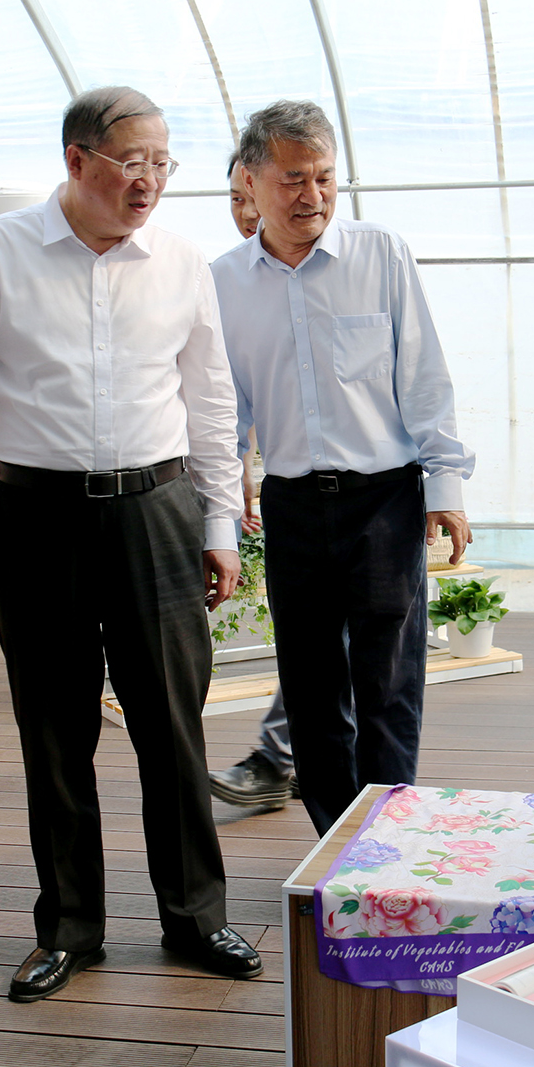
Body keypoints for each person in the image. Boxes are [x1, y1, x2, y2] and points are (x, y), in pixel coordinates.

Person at [0, 86, 261, 1003]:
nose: (150, 181)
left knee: (171, 725)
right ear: (77, 160)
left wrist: (219, 521)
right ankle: (69, 929)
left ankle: (196, 918)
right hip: (35, 517)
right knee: (54, 731)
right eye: (132, 162)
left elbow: (210, 398)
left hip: (157, 510)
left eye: (163, 164)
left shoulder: (181, 260)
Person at [213, 99, 476, 836]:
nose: (314, 196)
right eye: (293, 179)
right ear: (250, 181)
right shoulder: (224, 281)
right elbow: (224, 406)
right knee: (309, 686)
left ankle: (387, 837)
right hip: (292, 503)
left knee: (389, 681)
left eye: (325, 177)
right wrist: (224, 500)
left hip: (384, 500)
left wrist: (445, 484)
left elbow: (424, 374)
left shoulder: (380, 254)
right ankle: (336, 842)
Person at [210, 153, 296, 812]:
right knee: (314, 637)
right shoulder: (226, 280)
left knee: (339, 642)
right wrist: (237, 477)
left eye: (252, 195)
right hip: (286, 491)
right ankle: (290, 758)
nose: (245, 212)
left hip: (366, 492)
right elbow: (225, 395)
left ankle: (281, 758)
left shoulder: (350, 266)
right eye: (235, 199)